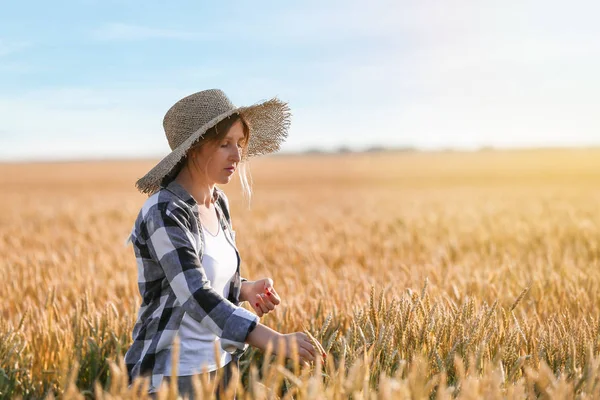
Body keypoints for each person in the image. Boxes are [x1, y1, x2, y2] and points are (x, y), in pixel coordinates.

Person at [124, 89, 323, 399]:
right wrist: (273, 340)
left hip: (221, 366)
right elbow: (194, 294)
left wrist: (244, 288)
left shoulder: (219, 204)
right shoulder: (164, 210)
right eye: (224, 144)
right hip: (173, 376)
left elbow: (206, 275)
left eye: (240, 144)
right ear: (193, 149)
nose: (237, 155)